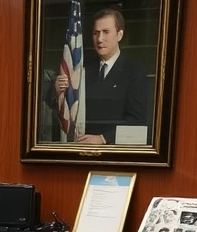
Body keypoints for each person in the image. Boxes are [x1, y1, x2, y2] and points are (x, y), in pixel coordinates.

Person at [51, 7, 150, 143]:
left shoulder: (135, 72)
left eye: (106, 32)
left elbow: (137, 123)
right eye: (96, 33)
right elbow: (65, 114)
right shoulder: (82, 70)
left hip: (115, 152)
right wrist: (59, 94)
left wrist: (103, 139)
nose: (100, 39)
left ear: (119, 35)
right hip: (80, 147)